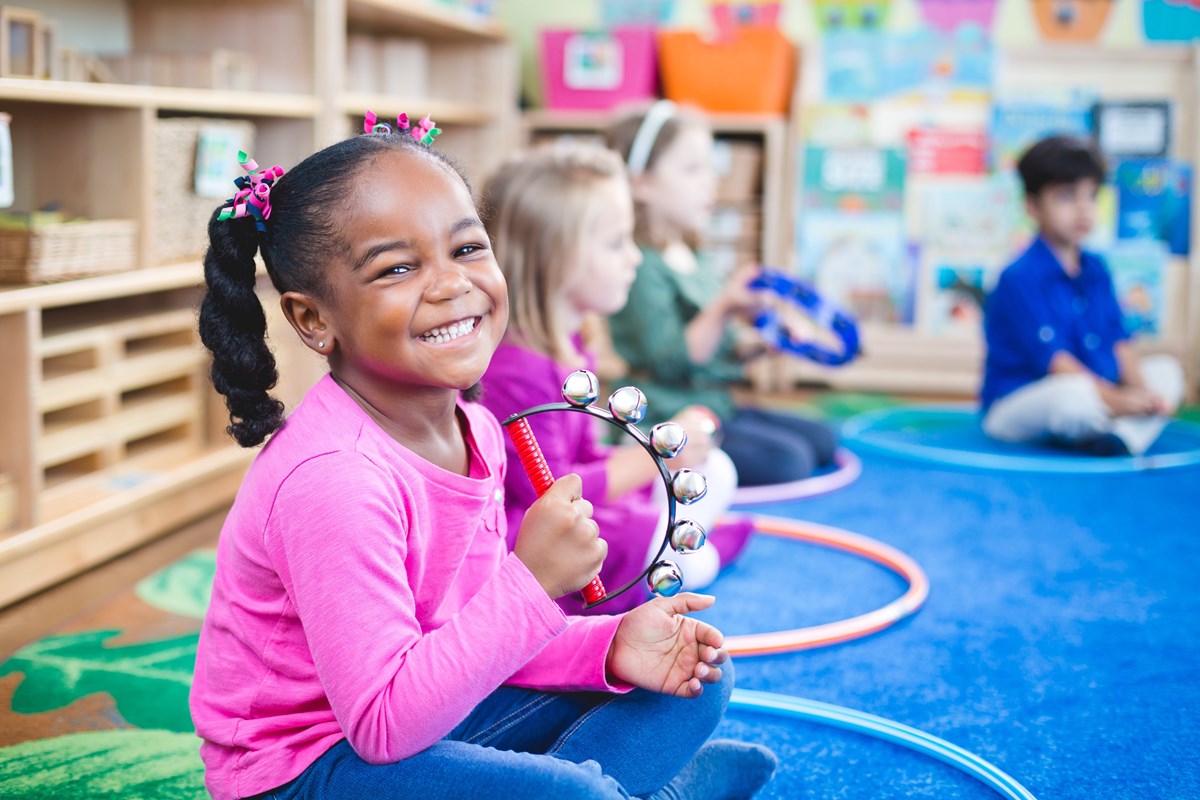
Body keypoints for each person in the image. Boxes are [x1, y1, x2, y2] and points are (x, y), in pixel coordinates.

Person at [189, 115, 777, 799]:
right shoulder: (333, 480)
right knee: (575, 795)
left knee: (698, 679)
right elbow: (383, 724)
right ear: (314, 319)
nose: (450, 284)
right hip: (309, 767)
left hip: (429, 710)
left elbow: (468, 639)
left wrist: (610, 645)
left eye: (467, 248)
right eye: (398, 267)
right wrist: (531, 581)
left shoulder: (478, 431)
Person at [477, 143, 755, 617]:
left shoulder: (569, 343)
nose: (633, 258)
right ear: (555, 258)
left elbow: (586, 456)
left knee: (718, 470)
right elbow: (552, 495)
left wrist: (655, 455)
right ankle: (682, 552)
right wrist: (656, 455)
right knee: (672, 544)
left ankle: (678, 544)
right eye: (615, 243)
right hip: (536, 536)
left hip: (581, 508)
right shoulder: (515, 371)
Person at [605, 101, 837, 487]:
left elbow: (720, 352)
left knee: (824, 440)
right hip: (669, 416)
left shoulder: (692, 255)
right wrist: (724, 305)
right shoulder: (640, 264)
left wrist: (765, 343)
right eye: (693, 169)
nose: (710, 181)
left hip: (715, 407)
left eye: (710, 167)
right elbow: (671, 361)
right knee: (790, 459)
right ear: (640, 181)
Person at [981, 135, 1184, 455]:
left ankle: (1120, 440)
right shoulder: (1017, 277)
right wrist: (1117, 400)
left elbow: (1120, 341)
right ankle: (1113, 425)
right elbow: (1054, 363)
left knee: (1167, 371)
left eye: (1091, 196)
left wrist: (1145, 394)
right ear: (1032, 206)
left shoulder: (1097, 269)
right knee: (1072, 396)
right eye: (1066, 196)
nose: (1082, 208)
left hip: (1099, 393)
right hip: (1022, 402)